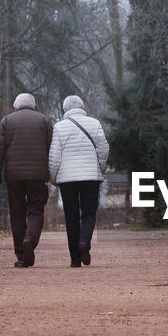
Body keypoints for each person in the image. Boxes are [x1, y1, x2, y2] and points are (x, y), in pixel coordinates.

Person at [0, 93, 53, 268]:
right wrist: (52, 174)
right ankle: (30, 240)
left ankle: (21, 255)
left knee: (17, 214)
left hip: (14, 176)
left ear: (15, 106)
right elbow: (52, 149)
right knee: (36, 210)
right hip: (38, 176)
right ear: (34, 106)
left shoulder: (7, 121)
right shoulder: (44, 121)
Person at [48, 94, 110, 268]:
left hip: (67, 179)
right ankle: (84, 242)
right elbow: (104, 148)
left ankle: (75, 259)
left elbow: (54, 156)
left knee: (71, 217)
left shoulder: (59, 127)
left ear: (65, 110)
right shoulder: (95, 123)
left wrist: (53, 178)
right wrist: (100, 167)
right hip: (90, 176)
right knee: (89, 213)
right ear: (82, 107)